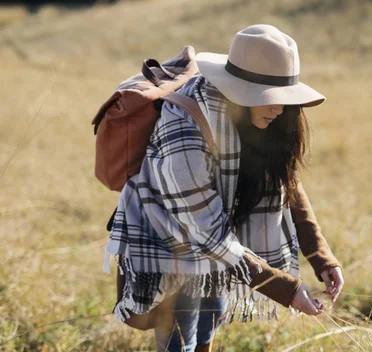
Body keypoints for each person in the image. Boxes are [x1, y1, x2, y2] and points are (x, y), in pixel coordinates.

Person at [103, 24, 343, 352]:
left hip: (221, 242)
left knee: (209, 322)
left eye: (285, 98)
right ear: (240, 90)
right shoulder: (183, 126)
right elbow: (208, 234)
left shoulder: (262, 117)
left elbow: (286, 182)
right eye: (270, 98)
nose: (280, 108)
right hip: (171, 242)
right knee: (180, 337)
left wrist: (322, 258)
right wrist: (285, 288)